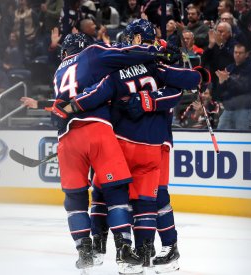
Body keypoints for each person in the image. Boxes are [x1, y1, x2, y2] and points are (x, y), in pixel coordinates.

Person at [59, 19, 208, 273]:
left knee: (109, 192)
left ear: (136, 39)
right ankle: (144, 251)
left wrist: (71, 109)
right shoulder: (157, 65)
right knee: (145, 198)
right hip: (151, 143)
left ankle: (112, 247)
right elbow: (185, 85)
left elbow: (96, 94)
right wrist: (201, 74)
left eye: (130, 38)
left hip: (130, 141)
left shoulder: (121, 71)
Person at [50, 32, 164, 273]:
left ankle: (84, 251)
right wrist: (154, 50)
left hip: (67, 139)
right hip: (97, 131)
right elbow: (124, 55)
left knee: (75, 199)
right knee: (116, 191)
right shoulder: (91, 54)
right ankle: (123, 248)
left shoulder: (59, 70)